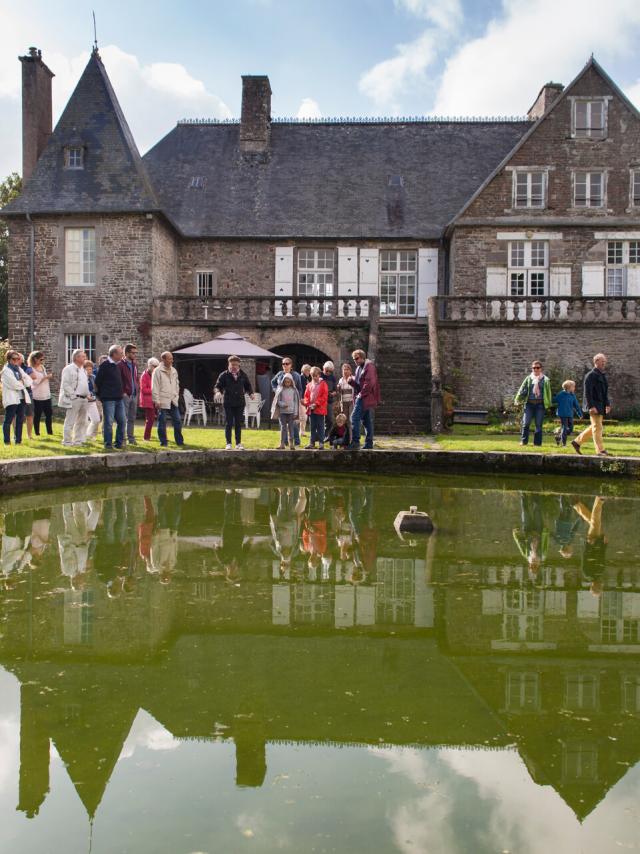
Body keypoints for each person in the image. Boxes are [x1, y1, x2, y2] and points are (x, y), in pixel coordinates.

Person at [572, 353, 611, 456]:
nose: (604, 363)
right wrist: (591, 406)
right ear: (596, 361)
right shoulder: (590, 375)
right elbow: (587, 393)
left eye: (605, 361)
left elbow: (604, 392)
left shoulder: (602, 375)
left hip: (601, 405)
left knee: (595, 426)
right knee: (597, 427)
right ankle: (600, 450)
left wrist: (607, 404)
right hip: (594, 406)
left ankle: (577, 442)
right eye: (602, 361)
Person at [214, 355, 254, 450]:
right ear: (229, 364)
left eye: (236, 365)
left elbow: (248, 386)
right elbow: (217, 386)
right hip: (228, 402)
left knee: (238, 423)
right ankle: (228, 443)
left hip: (240, 402)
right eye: (232, 365)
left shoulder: (243, 375)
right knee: (229, 423)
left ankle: (238, 443)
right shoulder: (224, 375)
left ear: (239, 365)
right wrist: (218, 392)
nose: (234, 367)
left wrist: (251, 393)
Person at [94, 344, 126, 450]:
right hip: (109, 399)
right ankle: (108, 444)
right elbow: (97, 382)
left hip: (119, 398)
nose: (122, 355)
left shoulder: (117, 365)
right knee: (109, 422)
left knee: (122, 421)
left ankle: (119, 443)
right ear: (114, 354)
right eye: (121, 353)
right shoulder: (105, 365)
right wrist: (100, 396)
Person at [348, 349, 381, 450]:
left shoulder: (369, 366)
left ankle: (355, 442)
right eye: (354, 359)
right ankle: (369, 443)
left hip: (365, 397)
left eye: (357, 358)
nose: (355, 361)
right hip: (362, 396)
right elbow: (359, 386)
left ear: (362, 357)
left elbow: (369, 383)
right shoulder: (359, 368)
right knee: (366, 421)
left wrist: (361, 395)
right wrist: (351, 382)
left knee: (354, 418)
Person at [515, 360, 552, 447]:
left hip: (540, 404)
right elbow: (521, 389)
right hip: (529, 404)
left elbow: (548, 392)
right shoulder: (528, 378)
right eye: (534, 368)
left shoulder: (545, 379)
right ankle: (524, 442)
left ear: (541, 369)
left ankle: (537, 443)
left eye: (537, 367)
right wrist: (517, 399)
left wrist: (548, 403)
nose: (536, 369)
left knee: (538, 424)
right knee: (526, 423)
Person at [152, 351, 184, 448]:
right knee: (162, 421)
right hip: (162, 400)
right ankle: (163, 442)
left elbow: (177, 384)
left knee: (178, 420)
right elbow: (155, 387)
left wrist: (176, 394)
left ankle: (179, 441)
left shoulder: (174, 370)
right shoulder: (157, 371)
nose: (172, 360)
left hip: (173, 400)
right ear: (163, 359)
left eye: (172, 358)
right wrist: (156, 401)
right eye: (170, 359)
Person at [58, 348, 90, 447]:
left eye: (85, 356)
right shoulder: (68, 369)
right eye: (83, 356)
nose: (85, 358)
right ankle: (67, 441)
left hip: (84, 399)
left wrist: (88, 395)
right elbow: (65, 384)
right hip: (74, 398)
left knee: (82, 421)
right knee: (70, 421)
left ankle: (78, 441)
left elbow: (84, 384)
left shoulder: (83, 370)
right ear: (76, 357)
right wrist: (73, 396)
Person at [1, 350, 33, 445]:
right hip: (11, 399)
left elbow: (29, 380)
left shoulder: (19, 369)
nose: (16, 361)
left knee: (20, 420)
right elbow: (14, 385)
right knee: (8, 420)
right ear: (9, 359)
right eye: (14, 359)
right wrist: (22, 382)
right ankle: (7, 441)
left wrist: (21, 381)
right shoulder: (6, 371)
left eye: (18, 359)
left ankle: (18, 441)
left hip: (21, 398)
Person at [271, 357, 303, 446]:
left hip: (292, 404)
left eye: (287, 363)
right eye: (283, 364)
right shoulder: (280, 374)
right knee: (282, 425)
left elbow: (300, 389)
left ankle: (296, 442)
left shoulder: (296, 375)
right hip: (282, 404)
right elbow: (272, 382)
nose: (285, 365)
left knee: (293, 424)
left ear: (291, 365)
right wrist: (276, 390)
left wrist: (298, 398)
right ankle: (284, 442)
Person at [26, 351, 53, 436]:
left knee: (49, 414)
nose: (42, 361)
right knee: (37, 415)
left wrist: (47, 377)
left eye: (43, 359)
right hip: (37, 395)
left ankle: (50, 432)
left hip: (46, 394)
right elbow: (34, 383)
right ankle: (37, 432)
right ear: (35, 359)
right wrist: (45, 378)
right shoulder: (30, 369)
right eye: (41, 359)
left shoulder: (42, 367)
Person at [119, 343, 139, 445]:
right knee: (123, 418)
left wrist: (136, 390)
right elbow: (118, 380)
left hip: (134, 395)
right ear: (126, 353)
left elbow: (135, 378)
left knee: (132, 418)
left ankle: (131, 438)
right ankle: (122, 439)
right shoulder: (121, 364)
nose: (135, 355)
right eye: (133, 353)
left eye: (136, 353)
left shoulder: (134, 364)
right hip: (126, 395)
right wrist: (123, 393)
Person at [303, 366, 328, 449]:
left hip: (319, 409)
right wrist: (307, 403)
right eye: (313, 376)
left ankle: (321, 443)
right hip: (311, 409)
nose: (314, 377)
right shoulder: (309, 385)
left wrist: (316, 404)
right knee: (312, 426)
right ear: (311, 375)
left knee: (320, 426)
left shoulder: (323, 384)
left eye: (316, 375)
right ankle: (312, 443)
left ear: (319, 375)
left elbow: (324, 396)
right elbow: (306, 396)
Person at [553, 380, 583, 447]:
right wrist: (553, 395)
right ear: (569, 387)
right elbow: (554, 400)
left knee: (570, 429)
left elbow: (576, 405)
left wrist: (580, 414)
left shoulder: (572, 395)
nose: (574, 388)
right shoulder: (561, 394)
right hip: (562, 414)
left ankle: (558, 435)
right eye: (573, 387)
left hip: (570, 414)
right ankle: (564, 444)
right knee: (565, 427)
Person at [140, 357, 160, 441]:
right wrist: (154, 389)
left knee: (160, 419)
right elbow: (143, 389)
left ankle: (162, 436)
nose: (155, 368)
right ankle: (146, 437)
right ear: (149, 366)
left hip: (155, 400)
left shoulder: (155, 374)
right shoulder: (144, 375)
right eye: (154, 366)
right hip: (147, 401)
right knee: (150, 419)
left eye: (157, 366)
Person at [84, 360, 102, 440]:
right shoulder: (82, 378)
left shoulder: (93, 377)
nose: (89, 371)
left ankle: (89, 434)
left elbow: (96, 389)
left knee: (96, 419)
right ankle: (84, 437)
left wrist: (95, 394)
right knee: (83, 421)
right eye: (87, 369)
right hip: (83, 401)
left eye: (90, 369)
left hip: (92, 401)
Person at [19, 355, 34, 440]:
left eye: (19, 359)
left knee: (29, 415)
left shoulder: (27, 368)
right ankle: (17, 435)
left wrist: (23, 379)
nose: (17, 360)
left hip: (28, 394)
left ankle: (29, 435)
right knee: (17, 416)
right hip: (17, 394)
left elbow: (32, 378)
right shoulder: (11, 369)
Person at [321, 361, 337, 434]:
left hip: (329, 400)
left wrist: (334, 393)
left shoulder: (333, 377)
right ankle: (320, 435)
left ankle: (327, 434)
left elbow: (335, 389)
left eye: (330, 371)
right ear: (323, 368)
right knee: (320, 419)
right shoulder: (320, 375)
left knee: (330, 419)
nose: (328, 373)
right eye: (326, 370)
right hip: (320, 400)